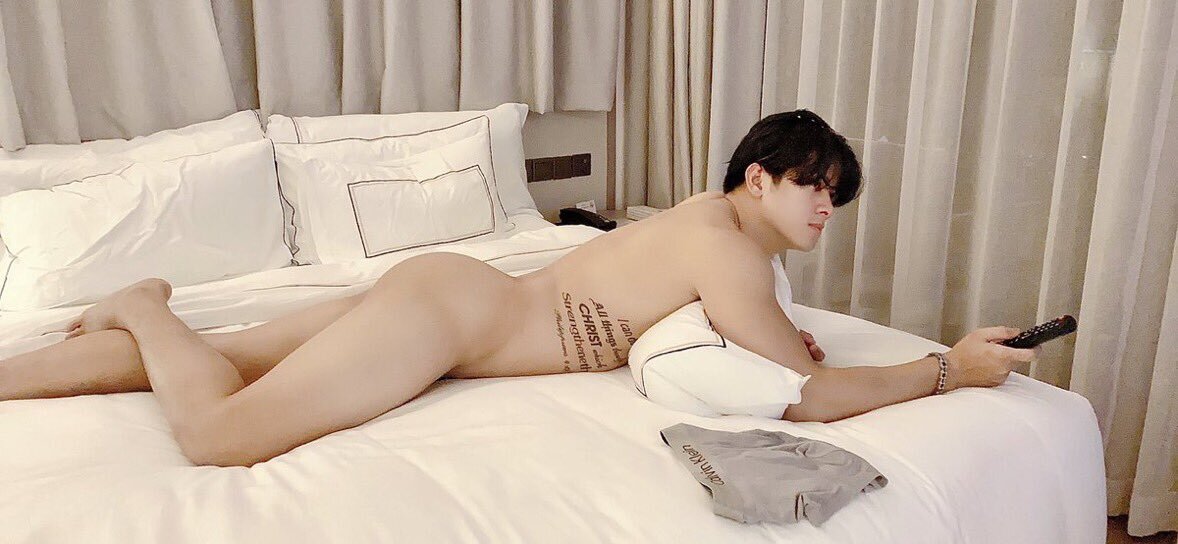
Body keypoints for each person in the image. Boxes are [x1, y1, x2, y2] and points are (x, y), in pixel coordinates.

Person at [0, 109, 1040, 467]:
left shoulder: (703, 223)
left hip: (451, 299)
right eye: (814, 187)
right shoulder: (727, 244)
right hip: (446, 316)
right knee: (218, 434)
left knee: (220, 362)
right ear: (757, 179)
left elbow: (717, 325)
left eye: (834, 197)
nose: (824, 210)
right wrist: (945, 368)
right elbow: (804, 399)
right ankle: (145, 303)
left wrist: (765, 333)